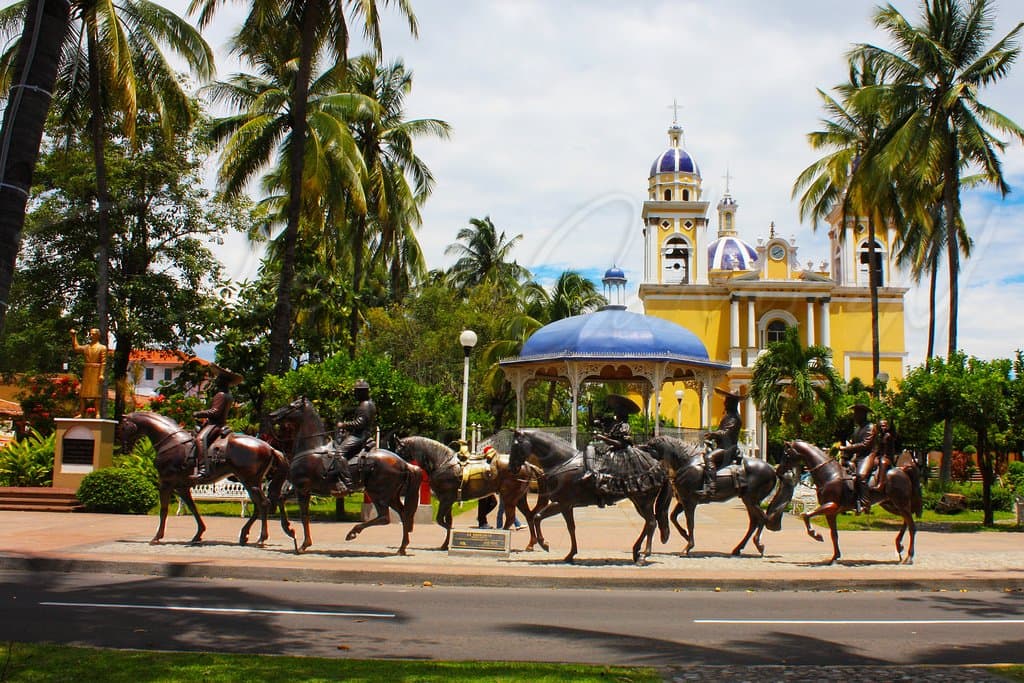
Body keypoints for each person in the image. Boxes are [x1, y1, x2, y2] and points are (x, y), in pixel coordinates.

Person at [193, 368, 241, 480]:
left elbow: (215, 412)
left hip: (215, 424)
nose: (216, 381)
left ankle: (203, 469)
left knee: (200, 439)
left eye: (218, 379)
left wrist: (198, 413)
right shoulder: (228, 395)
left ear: (223, 381)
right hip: (220, 423)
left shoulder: (221, 395)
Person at [331, 379, 377, 494]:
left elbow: (360, 423)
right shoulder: (367, 403)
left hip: (360, 436)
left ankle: (348, 484)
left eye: (356, 392)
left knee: (339, 454)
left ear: (362, 392)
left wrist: (344, 424)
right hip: (360, 434)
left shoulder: (365, 405)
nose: (354, 394)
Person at [698, 391, 743, 497]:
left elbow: (726, 433)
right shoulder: (728, 416)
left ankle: (711, 487)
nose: (724, 403)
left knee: (709, 458)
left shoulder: (734, 418)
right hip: (722, 446)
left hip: (728, 448)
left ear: (732, 403)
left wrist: (713, 434)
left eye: (727, 401)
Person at [837, 403, 877, 514]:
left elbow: (865, 445)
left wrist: (846, 448)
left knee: (861, 475)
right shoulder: (857, 429)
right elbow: (854, 444)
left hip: (868, 455)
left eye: (856, 414)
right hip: (859, 456)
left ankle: (865, 504)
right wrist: (845, 456)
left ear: (863, 415)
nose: (854, 416)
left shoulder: (871, 427)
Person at [69, 328, 107, 417]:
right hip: (87, 371)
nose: (91, 335)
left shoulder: (102, 348)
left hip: (96, 371)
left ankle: (97, 412)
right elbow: (76, 348)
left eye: (93, 334)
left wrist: (101, 374)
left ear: (97, 335)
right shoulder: (87, 347)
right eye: (91, 334)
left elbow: (103, 362)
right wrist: (74, 336)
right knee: (83, 393)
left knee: (96, 393)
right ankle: (81, 412)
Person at [870, 418, 897, 494]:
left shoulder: (888, 436)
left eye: (884, 426)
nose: (882, 428)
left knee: (883, 462)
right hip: (880, 456)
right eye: (881, 426)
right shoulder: (879, 437)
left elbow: (885, 451)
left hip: (887, 457)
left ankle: (880, 485)